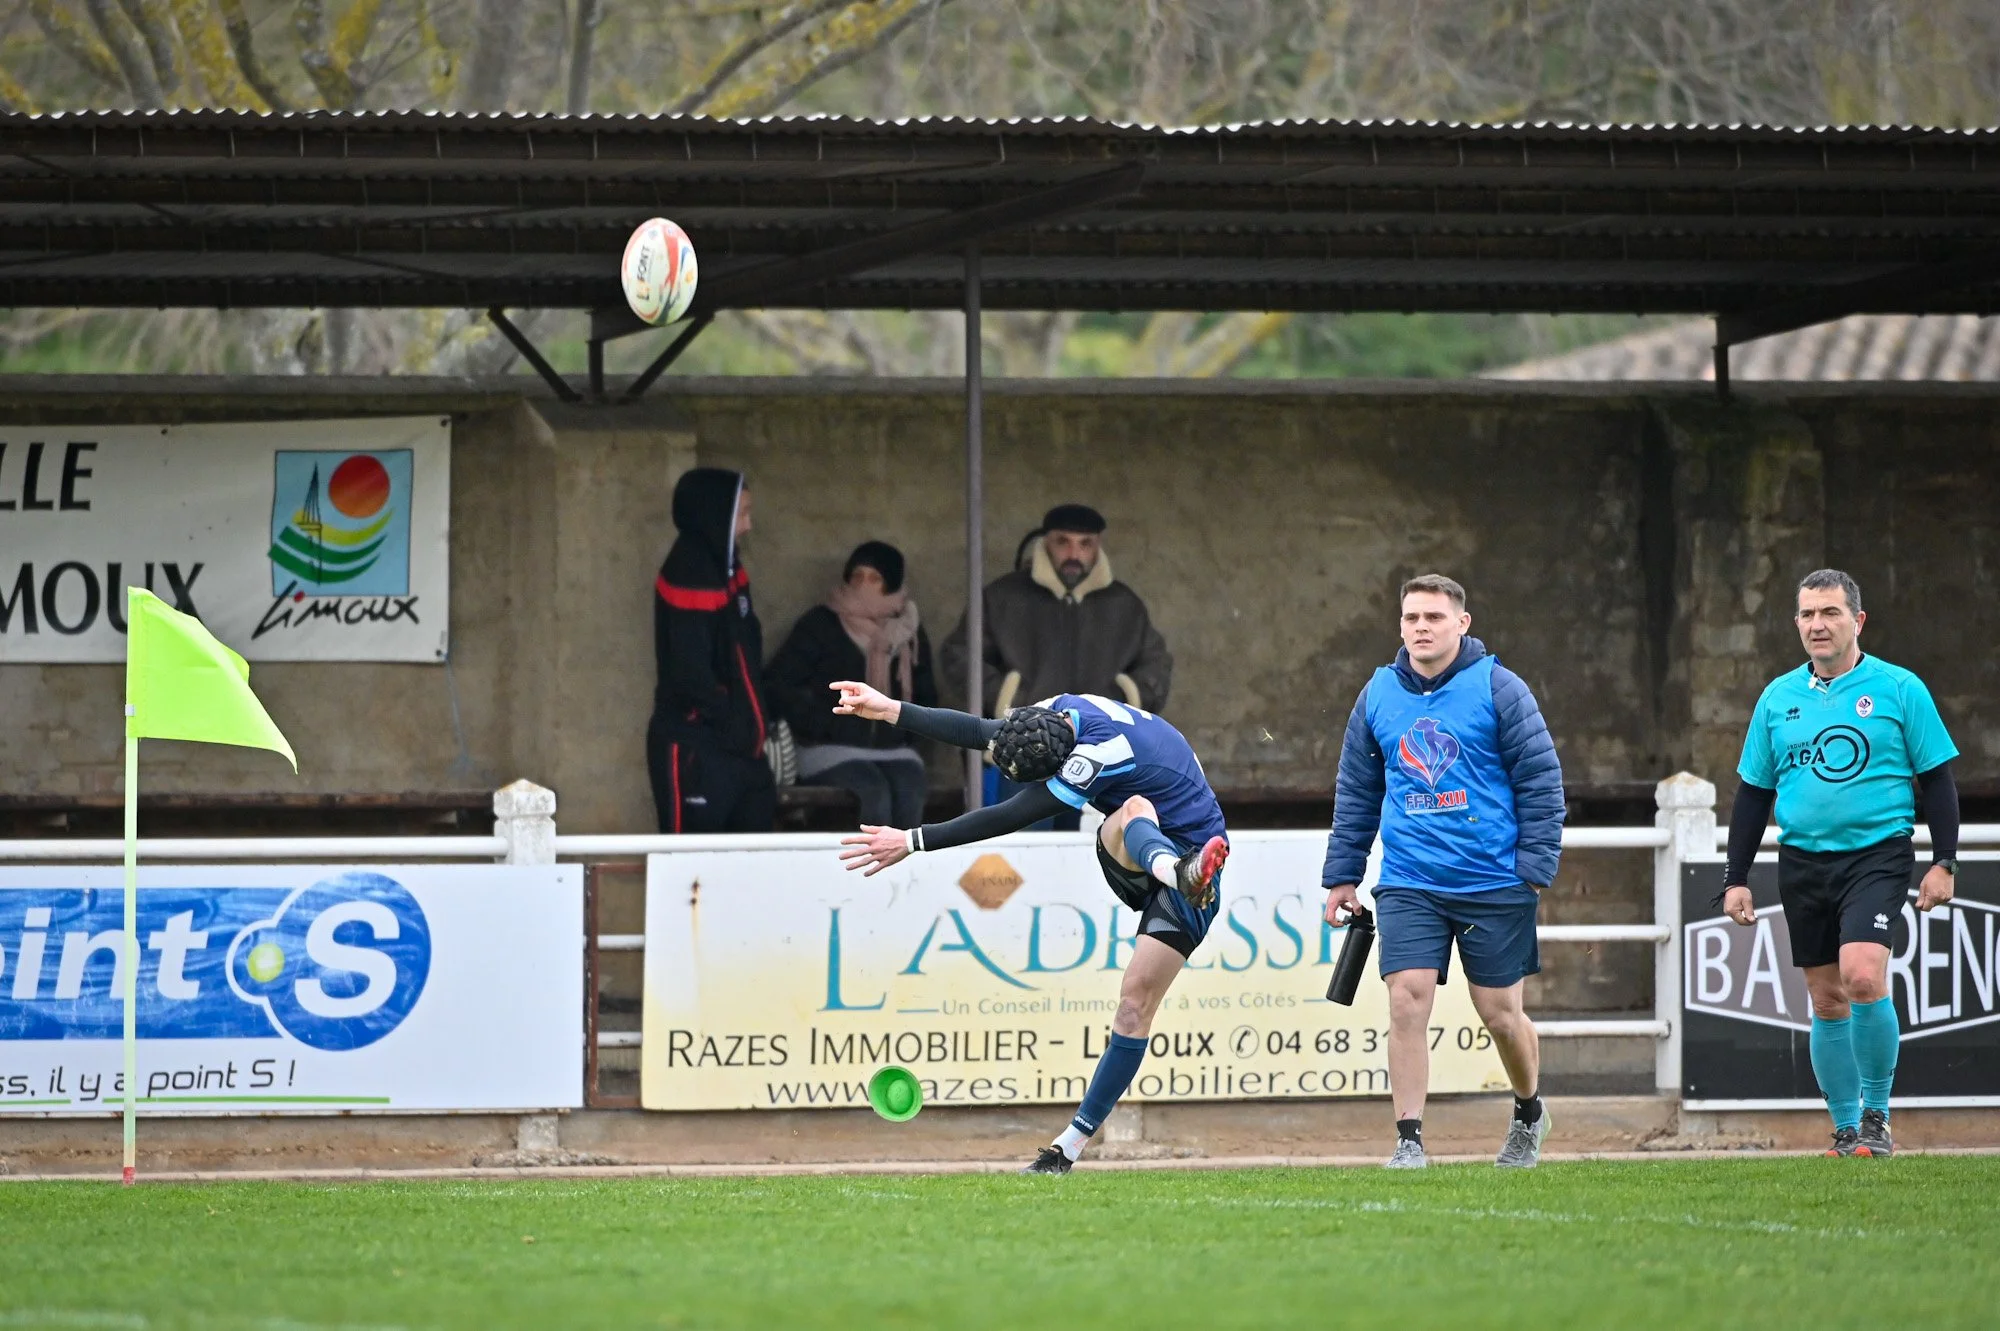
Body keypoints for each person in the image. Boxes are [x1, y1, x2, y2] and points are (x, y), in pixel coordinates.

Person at [832, 681, 1228, 1175]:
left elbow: (1011, 814)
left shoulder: (1096, 757)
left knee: (1133, 1008)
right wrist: (892, 709)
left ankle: (1067, 1149)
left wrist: (913, 841)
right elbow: (982, 731)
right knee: (1130, 815)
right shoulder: (1056, 715)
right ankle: (1175, 871)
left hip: (1192, 868)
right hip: (1145, 858)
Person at [1321, 574, 1565, 1170]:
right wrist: (1343, 874)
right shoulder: (1377, 693)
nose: (1421, 628)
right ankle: (1409, 1141)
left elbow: (1541, 781)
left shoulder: (1499, 688)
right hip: (1408, 880)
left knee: (1500, 1016)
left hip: (1492, 881)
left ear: (1463, 623)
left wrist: (1532, 869)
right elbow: (1357, 789)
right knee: (1407, 1000)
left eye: (1433, 617)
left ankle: (1529, 1111)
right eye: (1410, 619)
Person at [1722, 569, 1958, 1159]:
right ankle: (1847, 1128)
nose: (1817, 625)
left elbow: (1938, 781)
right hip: (1802, 861)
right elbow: (1753, 794)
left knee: (1861, 975)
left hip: (1877, 855)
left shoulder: (1901, 689)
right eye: (1807, 614)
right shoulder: (1777, 698)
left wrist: (1944, 862)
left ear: (1858, 621)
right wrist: (1736, 879)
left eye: (1830, 613)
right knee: (1826, 999)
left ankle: (1877, 1116)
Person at [941, 503, 1173, 828]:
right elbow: (959, 655)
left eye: (1085, 543)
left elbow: (1156, 665)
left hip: (1101, 752)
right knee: (1025, 853)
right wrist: (1011, 699)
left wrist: (1125, 697)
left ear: (1098, 546)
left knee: (1094, 856)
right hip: (1025, 749)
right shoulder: (1003, 597)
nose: (1073, 553)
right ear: (1045, 543)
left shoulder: (1125, 605)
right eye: (1063, 542)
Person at [766, 541, 938, 827]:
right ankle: (868, 870)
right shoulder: (821, 625)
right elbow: (779, 685)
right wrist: (825, 723)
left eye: (874, 578)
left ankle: (907, 870)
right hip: (829, 748)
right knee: (874, 793)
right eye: (856, 577)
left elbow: (926, 693)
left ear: (891, 583)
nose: (863, 585)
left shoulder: (909, 632)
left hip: (894, 749)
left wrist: (906, 731)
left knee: (910, 790)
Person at [646, 467, 776, 834]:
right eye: (743, 514)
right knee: (693, 873)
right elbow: (691, 672)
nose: (749, 526)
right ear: (715, 514)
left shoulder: (729, 567)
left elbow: (747, 655)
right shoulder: (690, 571)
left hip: (743, 752)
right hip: (697, 747)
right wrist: (733, 720)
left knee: (753, 871)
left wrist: (759, 722)